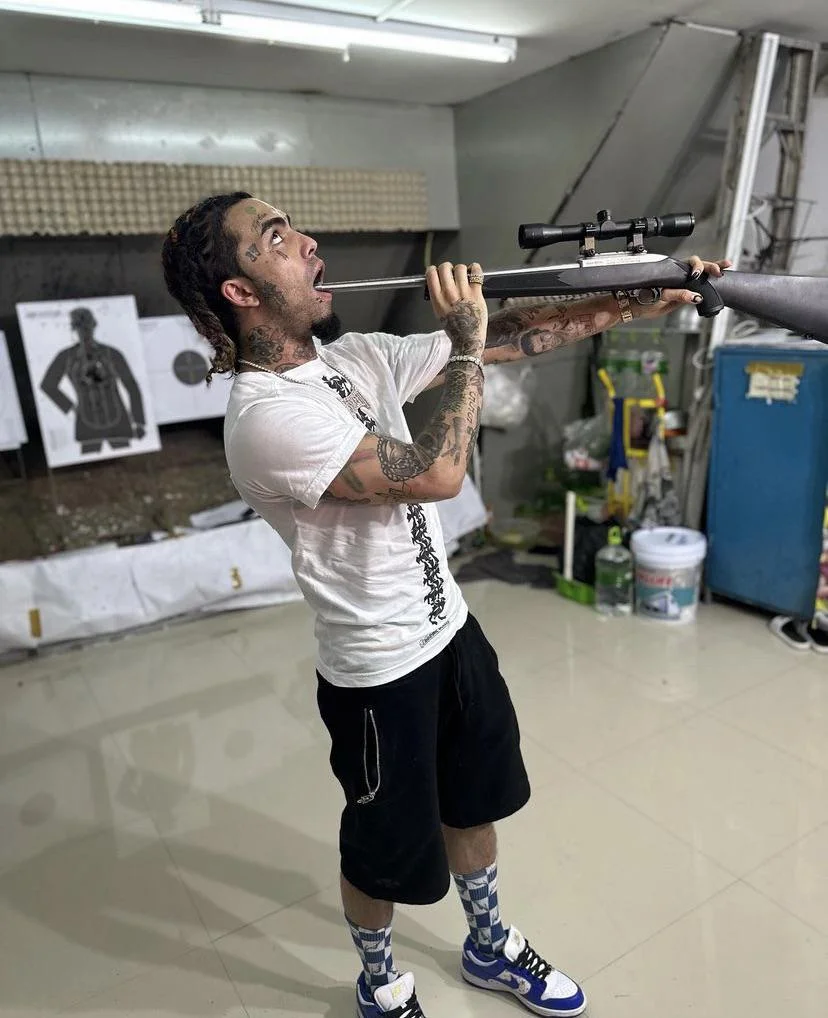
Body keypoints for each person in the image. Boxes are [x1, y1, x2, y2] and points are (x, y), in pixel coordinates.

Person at [161, 191, 727, 1018]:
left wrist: (638, 297)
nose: (309, 242)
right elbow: (437, 473)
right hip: (376, 674)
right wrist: (463, 343)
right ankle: (381, 982)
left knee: (473, 802)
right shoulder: (265, 420)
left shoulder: (356, 357)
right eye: (277, 238)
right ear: (240, 292)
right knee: (384, 852)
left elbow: (510, 334)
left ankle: (487, 943)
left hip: (449, 632)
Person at [41, 306, 146, 454]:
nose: (84, 331)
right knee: (91, 460)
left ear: (93, 325)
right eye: (80, 327)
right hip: (87, 421)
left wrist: (139, 421)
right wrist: (71, 407)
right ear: (74, 329)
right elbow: (47, 385)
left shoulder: (112, 353)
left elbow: (131, 386)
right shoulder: (66, 356)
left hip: (117, 419)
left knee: (125, 457)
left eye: (87, 326)